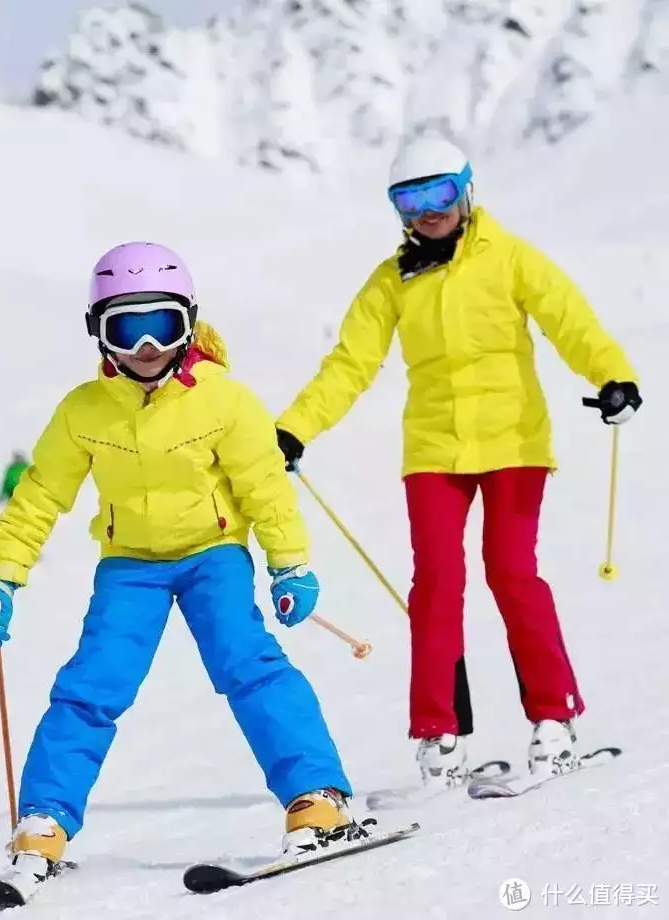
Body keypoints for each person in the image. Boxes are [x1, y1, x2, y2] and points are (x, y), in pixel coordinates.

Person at [0, 242, 364, 882]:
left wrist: (289, 565)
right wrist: (1, 575)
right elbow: (40, 494)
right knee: (92, 686)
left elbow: (265, 484)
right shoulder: (82, 411)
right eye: (127, 327)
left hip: (214, 556)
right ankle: (43, 822)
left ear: (189, 322)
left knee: (250, 666)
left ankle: (319, 798)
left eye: (163, 324)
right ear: (100, 333)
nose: (147, 345)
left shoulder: (225, 401)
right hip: (130, 566)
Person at [274, 137, 641, 789]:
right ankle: (439, 736)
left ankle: (553, 719)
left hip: (513, 442)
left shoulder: (510, 258)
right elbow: (350, 365)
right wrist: (295, 427)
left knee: (510, 571)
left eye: (439, 194)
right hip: (434, 449)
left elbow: (571, 321)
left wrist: (612, 375)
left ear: (467, 190)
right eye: (410, 200)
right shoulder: (392, 282)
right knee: (437, 583)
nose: (428, 211)